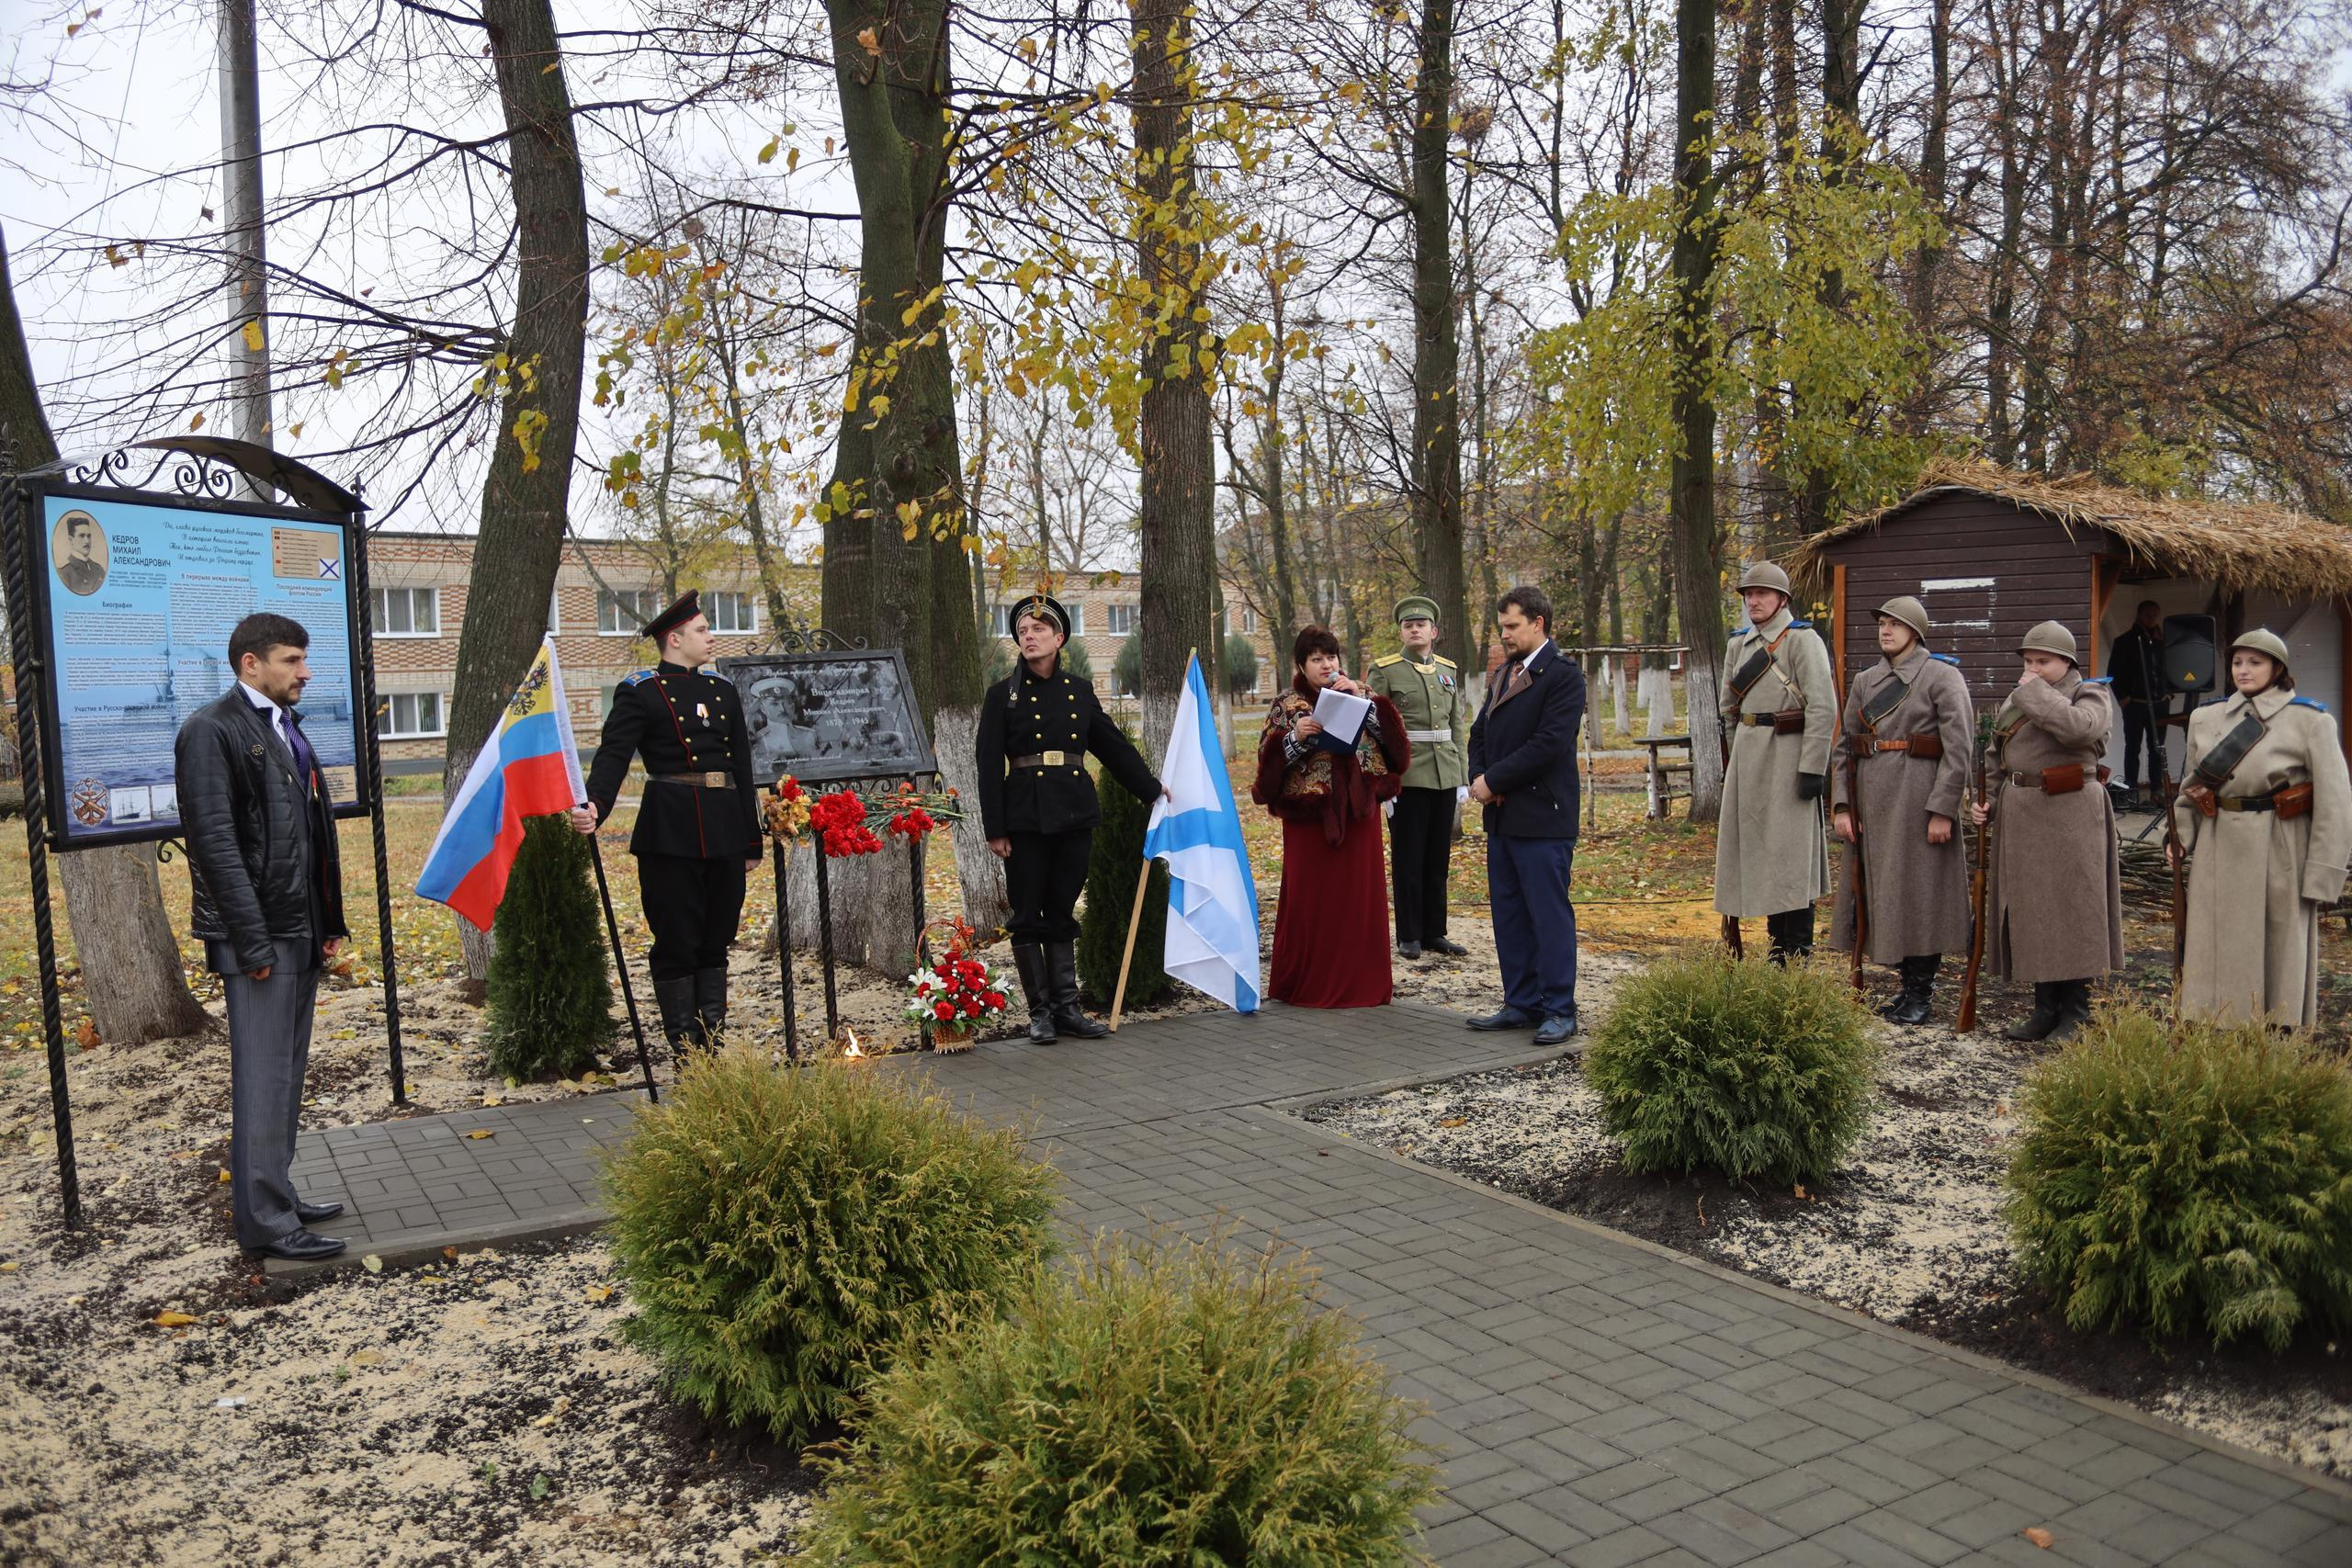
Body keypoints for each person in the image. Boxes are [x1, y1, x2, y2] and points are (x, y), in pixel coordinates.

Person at [175, 613, 349, 1262]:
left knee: (287, 1074)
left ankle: (277, 1192)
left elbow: (310, 836)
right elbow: (215, 847)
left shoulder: (284, 726)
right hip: (260, 940)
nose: (305, 671)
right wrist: (250, 943)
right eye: (291, 659)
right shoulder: (211, 729)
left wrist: (328, 922)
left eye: (304, 659)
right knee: (263, 1079)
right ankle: (267, 1223)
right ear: (251, 663)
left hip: (296, 931)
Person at [571, 590, 761, 1056]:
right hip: (671, 832)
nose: (711, 637)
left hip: (724, 830)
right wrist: (595, 803)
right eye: (702, 630)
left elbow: (741, 766)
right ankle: (685, 1053)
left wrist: (750, 838)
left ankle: (711, 1046)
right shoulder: (641, 691)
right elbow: (614, 754)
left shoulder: (723, 690)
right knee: (677, 941)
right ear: (674, 639)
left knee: (717, 940)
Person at [976, 592, 1163, 1043]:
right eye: (1022, 631)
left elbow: (1112, 746)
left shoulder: (1078, 689)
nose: (1029, 636)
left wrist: (1152, 791)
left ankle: (1066, 1010)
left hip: (1074, 813)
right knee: (1027, 914)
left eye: (1038, 629)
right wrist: (995, 828)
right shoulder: (1002, 696)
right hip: (1025, 818)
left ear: (1059, 638)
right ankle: (1040, 1013)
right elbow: (987, 765)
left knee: (1061, 909)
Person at [2168, 628, 2351, 1029]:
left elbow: (2335, 804)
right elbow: (2192, 788)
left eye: (2255, 662)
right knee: (2215, 941)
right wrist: (2180, 836)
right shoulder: (2205, 718)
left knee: (2278, 944)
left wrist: (2323, 874)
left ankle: (2275, 1032)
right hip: (2217, 841)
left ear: (2277, 668)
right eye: (2237, 662)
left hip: (2280, 844)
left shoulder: (2311, 720)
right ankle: (2215, 1026)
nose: (2244, 670)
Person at [1968, 621, 2123, 1043]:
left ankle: (2076, 1013)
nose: (2033, 669)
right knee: (2033, 911)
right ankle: (2044, 1009)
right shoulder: (2018, 700)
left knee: (2073, 911)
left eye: (2043, 662)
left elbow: (2080, 729)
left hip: (2072, 814)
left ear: (2067, 662)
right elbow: (1997, 755)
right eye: (2028, 661)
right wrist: (1989, 802)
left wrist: (2033, 692)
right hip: (2023, 816)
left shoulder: (2091, 693)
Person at [1828, 596, 1975, 1024]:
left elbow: (1959, 749)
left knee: (1920, 896)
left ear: (1916, 631)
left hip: (1918, 800)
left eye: (1896, 624)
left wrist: (1943, 809)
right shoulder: (1866, 680)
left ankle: (1920, 993)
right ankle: (1904, 988)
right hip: (1872, 803)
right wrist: (1842, 804)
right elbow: (1844, 748)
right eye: (1882, 624)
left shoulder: (1942, 676)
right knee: (1887, 896)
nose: (1886, 630)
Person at [1253, 625, 1409, 1008]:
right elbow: (1266, 772)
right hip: (1309, 819)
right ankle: (1307, 985)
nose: (1326, 665)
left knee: (1358, 900)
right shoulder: (1288, 704)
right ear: (1301, 665)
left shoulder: (1363, 693)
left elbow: (1398, 753)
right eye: (1316, 659)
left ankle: (1362, 984)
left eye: (1331, 657)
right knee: (1312, 901)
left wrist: (1366, 707)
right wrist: (1296, 738)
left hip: (1360, 816)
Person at [1464, 586, 1586, 1045]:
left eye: (1512, 626)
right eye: (1501, 627)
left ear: (1538, 623)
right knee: (1510, 915)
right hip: (1503, 817)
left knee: (1548, 917)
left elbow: (1548, 744)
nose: (1504, 635)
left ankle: (1559, 1009)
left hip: (1543, 818)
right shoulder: (1504, 673)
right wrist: (1479, 777)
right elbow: (1479, 733)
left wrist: (1494, 781)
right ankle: (1521, 1002)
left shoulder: (1563, 676)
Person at [1714, 561, 1836, 962]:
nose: (1753, 601)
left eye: (1762, 593)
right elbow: (1729, 710)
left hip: (1789, 758)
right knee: (1761, 856)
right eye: (1749, 594)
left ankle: (1796, 955)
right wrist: (1736, 760)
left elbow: (1823, 706)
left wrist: (1812, 767)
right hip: (1750, 760)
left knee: (1791, 858)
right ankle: (1775, 951)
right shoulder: (1738, 645)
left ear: (1782, 599)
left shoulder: (1802, 640)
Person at [1366, 594, 1469, 960]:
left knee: (1438, 858)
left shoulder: (1448, 669)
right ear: (1401, 632)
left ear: (1433, 631)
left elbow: (1456, 724)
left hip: (1445, 773)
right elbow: (1373, 730)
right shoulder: (1385, 670)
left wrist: (1462, 775)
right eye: (1408, 625)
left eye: (1421, 625)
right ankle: (1409, 934)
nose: (1414, 630)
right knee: (1409, 858)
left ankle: (1434, 931)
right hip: (1407, 776)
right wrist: (1384, 780)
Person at [2109, 600, 2171, 808]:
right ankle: (2131, 790)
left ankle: (2157, 790)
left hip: (2159, 703)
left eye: (2155, 615)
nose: (2151, 619)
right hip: (2135, 704)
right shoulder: (2125, 641)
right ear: (2139, 615)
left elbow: (2171, 669)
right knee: (2133, 747)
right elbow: (2113, 672)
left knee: (2157, 748)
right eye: (2148, 615)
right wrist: (2123, 698)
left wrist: (2168, 692)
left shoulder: (2163, 642)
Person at [54, 511, 106, 596]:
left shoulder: (99, 570)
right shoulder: (64, 572)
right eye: (81, 536)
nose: (87, 541)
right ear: (71, 540)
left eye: (89, 536)